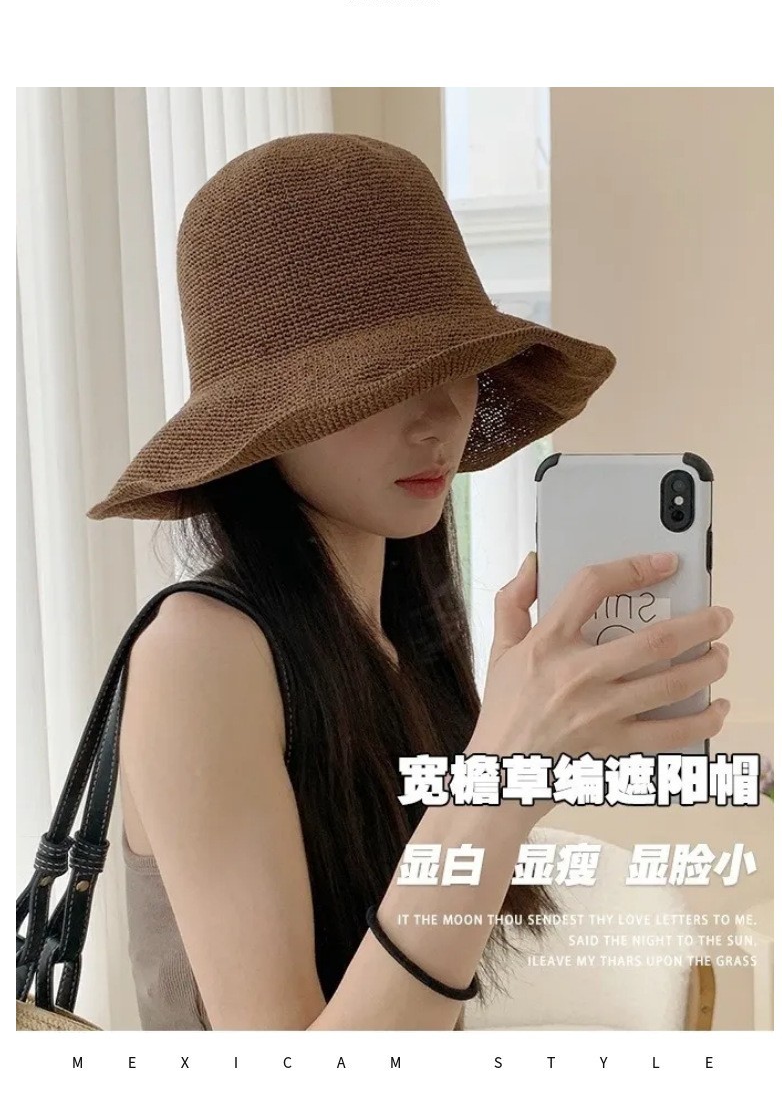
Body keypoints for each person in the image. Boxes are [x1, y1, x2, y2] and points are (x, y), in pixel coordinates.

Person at [87, 133, 733, 1031]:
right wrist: (497, 780)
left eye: (451, 362)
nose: (442, 412)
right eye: (380, 378)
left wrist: (536, 754)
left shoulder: (390, 637)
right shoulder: (202, 651)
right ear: (267, 418)